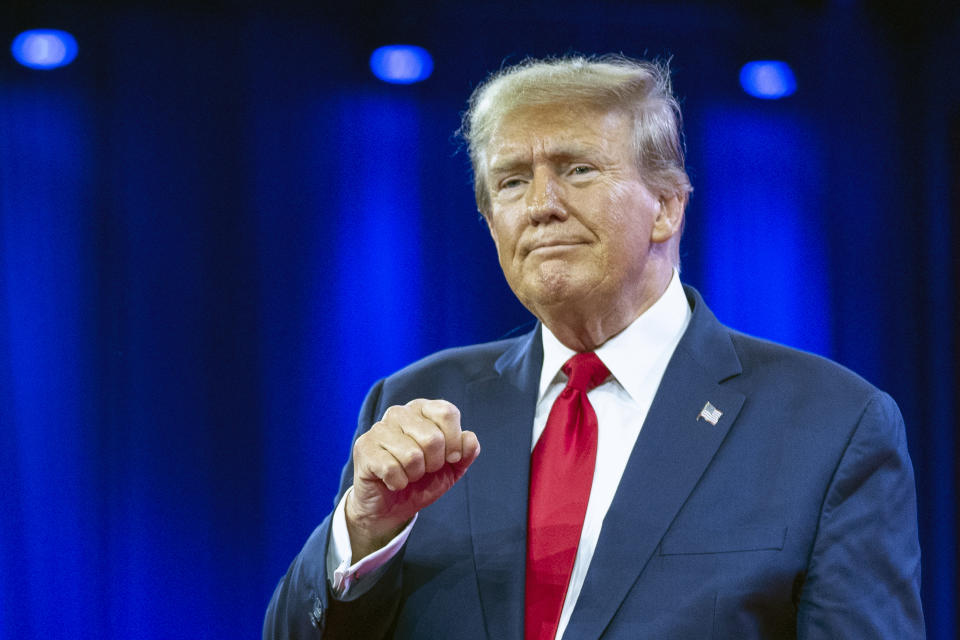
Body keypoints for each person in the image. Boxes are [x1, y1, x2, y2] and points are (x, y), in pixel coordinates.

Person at [264, 55, 924, 639]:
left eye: (577, 169)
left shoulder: (832, 425)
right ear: (491, 222)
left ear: (666, 204)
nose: (541, 205)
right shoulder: (418, 403)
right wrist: (364, 530)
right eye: (512, 181)